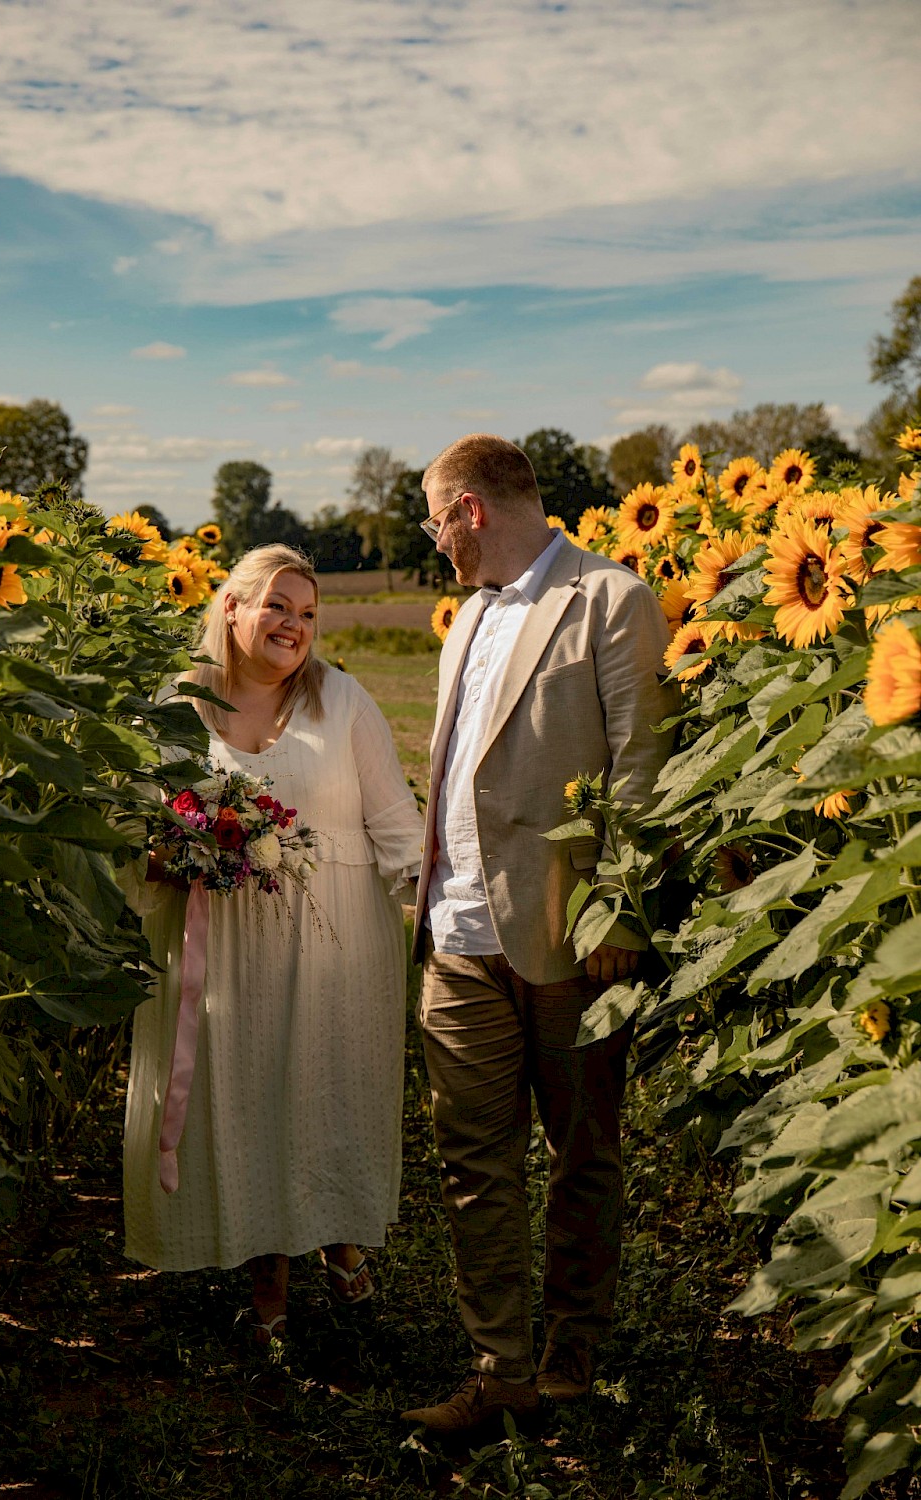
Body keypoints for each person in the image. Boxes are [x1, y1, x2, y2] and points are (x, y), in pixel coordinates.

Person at [401, 435, 677, 1437]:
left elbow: (641, 765)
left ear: (468, 508)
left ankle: (571, 1363)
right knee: (471, 1162)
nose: (434, 543)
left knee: (581, 1155)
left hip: (571, 935)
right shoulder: (464, 621)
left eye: (434, 520)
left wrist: (618, 908)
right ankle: (499, 1372)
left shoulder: (610, 599)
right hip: (457, 934)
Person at [122, 542, 424, 1339]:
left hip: (339, 941)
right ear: (231, 606)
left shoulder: (343, 702)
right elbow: (137, 824)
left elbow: (396, 825)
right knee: (248, 1097)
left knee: (326, 1094)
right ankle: (270, 1297)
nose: (294, 625)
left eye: (308, 614)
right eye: (278, 606)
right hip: (227, 944)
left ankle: (341, 1239)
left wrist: (438, 923)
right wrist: (177, 850)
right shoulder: (179, 702)